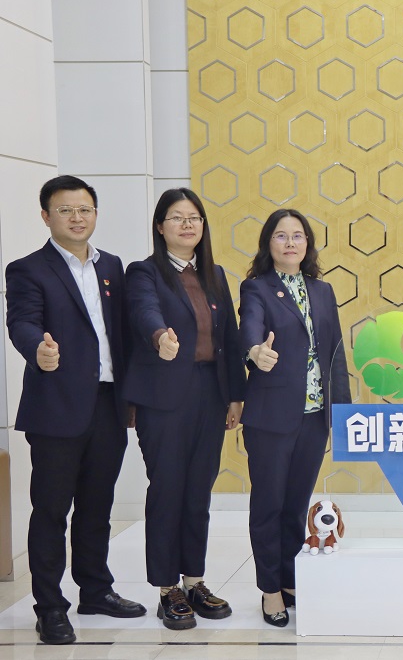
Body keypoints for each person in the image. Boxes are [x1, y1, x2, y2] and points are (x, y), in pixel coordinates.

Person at [5, 175, 147, 645]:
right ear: (46, 216)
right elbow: (22, 322)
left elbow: (120, 333)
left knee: (97, 505)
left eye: (84, 209)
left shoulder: (112, 267)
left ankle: (96, 590)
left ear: (95, 214)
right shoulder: (27, 269)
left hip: (108, 404)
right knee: (51, 510)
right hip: (57, 407)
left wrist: (132, 393)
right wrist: (38, 350)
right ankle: (49, 606)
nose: (76, 217)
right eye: (65, 210)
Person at [122, 188, 245, 630]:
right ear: (160, 227)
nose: (187, 224)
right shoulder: (144, 272)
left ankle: (194, 581)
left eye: (194, 217)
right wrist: (161, 337)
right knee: (168, 489)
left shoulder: (214, 275)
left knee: (198, 492)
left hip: (210, 393)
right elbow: (144, 312)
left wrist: (235, 395)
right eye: (176, 217)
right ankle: (166, 588)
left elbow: (229, 337)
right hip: (163, 397)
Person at [239, 208, 350, 627]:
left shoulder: (322, 290)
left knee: (295, 505)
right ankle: (270, 590)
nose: (290, 242)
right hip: (271, 416)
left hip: (314, 416)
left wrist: (341, 412)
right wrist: (255, 351)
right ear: (268, 243)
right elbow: (249, 326)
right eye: (281, 235)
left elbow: (335, 353)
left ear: (308, 244)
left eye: (297, 235)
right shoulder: (257, 287)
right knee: (268, 505)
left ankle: (289, 579)